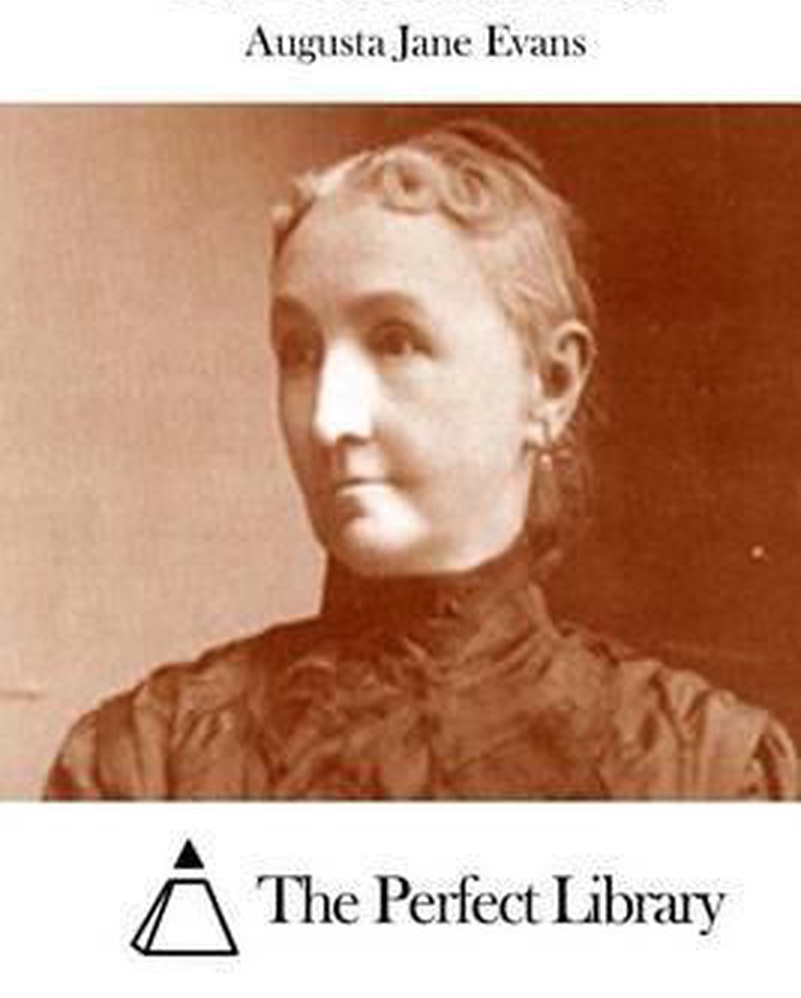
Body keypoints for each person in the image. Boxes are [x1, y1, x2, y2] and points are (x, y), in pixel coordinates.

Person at [45, 121, 797, 799]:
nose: (329, 419)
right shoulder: (149, 759)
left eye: (395, 341)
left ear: (551, 382)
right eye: (299, 351)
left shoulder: (704, 770)